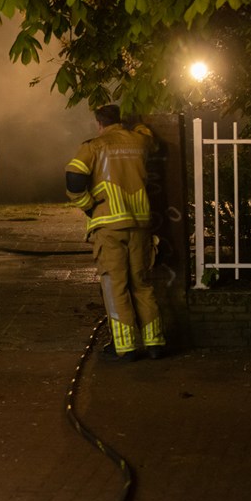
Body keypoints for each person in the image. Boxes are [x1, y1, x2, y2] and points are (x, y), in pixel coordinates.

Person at [65, 104, 166, 361]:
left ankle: (126, 347)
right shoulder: (139, 141)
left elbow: (74, 178)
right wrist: (137, 125)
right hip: (140, 224)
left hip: (109, 226)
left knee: (115, 286)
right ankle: (155, 343)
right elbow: (149, 137)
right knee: (142, 284)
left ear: (99, 123)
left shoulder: (94, 146)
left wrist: (87, 206)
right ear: (120, 121)